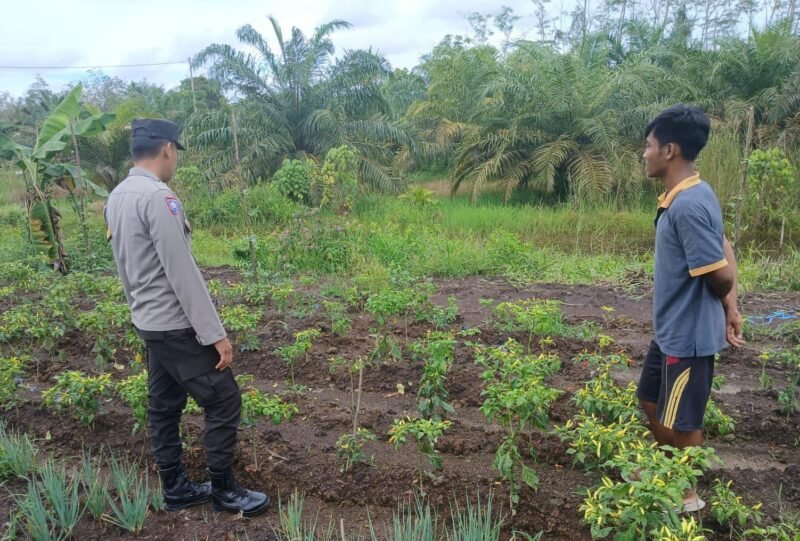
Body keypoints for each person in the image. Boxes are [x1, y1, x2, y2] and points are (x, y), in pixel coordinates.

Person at [104, 118, 269, 516]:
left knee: (164, 405)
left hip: (149, 323)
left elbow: (125, 268)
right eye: (175, 151)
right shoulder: (158, 198)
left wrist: (140, 315)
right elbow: (182, 272)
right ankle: (226, 491)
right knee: (224, 400)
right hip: (176, 326)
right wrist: (215, 334)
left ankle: (175, 486)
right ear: (166, 149)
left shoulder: (118, 196)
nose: (174, 158)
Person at [636, 104, 745, 512]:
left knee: (684, 422)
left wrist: (726, 296)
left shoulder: (688, 205)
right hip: (669, 331)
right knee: (649, 401)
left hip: (688, 337)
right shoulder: (686, 195)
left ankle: (686, 498)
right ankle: (664, 474)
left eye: (648, 145)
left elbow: (719, 272)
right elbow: (723, 244)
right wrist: (731, 307)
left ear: (670, 150)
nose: (643, 153)